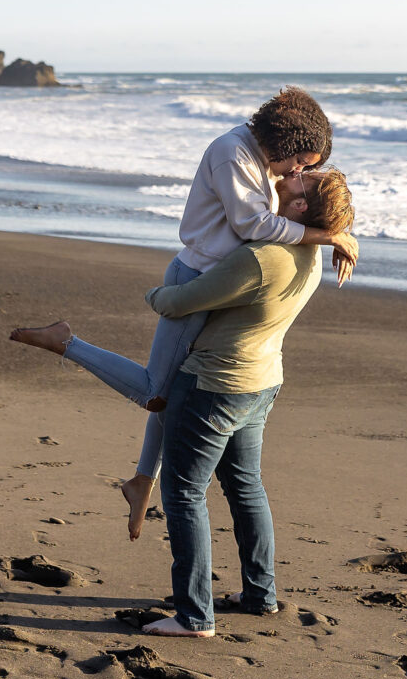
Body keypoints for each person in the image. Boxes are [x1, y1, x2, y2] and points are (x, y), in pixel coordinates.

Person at [10, 87, 358, 539]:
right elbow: (254, 225)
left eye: (306, 169)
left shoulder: (263, 162)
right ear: (286, 141)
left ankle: (141, 480)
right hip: (196, 281)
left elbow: (293, 209)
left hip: (224, 283)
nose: (298, 171)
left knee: (171, 393)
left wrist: (338, 231)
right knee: (157, 391)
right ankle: (65, 342)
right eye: (301, 162)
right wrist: (327, 236)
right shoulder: (232, 153)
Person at [140, 168, 354, 637]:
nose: (295, 173)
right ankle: (261, 595)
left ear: (299, 207)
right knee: (245, 487)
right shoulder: (310, 255)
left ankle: (194, 616)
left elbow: (180, 302)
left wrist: (154, 293)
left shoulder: (263, 258)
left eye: (305, 179)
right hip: (262, 381)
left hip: (212, 387)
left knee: (184, 495)